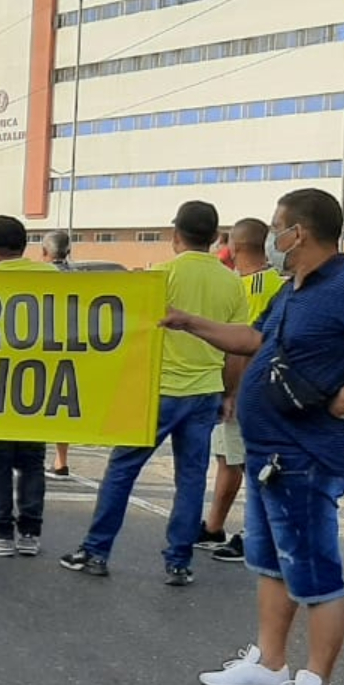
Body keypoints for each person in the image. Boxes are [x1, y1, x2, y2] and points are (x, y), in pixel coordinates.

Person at [168, 188, 344, 685]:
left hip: (308, 455)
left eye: (276, 226)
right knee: (271, 563)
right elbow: (252, 338)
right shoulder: (293, 288)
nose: (270, 236)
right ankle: (269, 664)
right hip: (270, 453)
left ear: (299, 232)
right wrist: (189, 322)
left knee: (314, 571)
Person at [61, 201, 247, 586]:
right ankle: (178, 562)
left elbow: (125, 337)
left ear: (175, 234)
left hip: (156, 393)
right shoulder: (232, 282)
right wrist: (230, 394)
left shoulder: (159, 276)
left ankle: (96, 551)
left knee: (122, 470)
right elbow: (235, 347)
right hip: (205, 391)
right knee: (191, 478)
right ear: (215, 238)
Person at [0, 216, 58, 557]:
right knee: (33, 459)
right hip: (43, 381)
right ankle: (30, 534)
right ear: (24, 247)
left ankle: (1, 533)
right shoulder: (54, 277)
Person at [196, 217, 284, 563]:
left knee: (251, 462)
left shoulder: (253, 286)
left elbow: (248, 343)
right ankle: (214, 526)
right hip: (241, 385)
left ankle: (257, 533)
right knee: (228, 458)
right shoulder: (276, 282)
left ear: (235, 246)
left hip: (247, 387)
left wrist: (234, 391)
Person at [41, 229, 77, 480]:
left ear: (44, 252)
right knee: (63, 405)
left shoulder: (38, 275)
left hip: (41, 346)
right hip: (71, 347)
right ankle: (61, 460)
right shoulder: (78, 277)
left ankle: (30, 457)